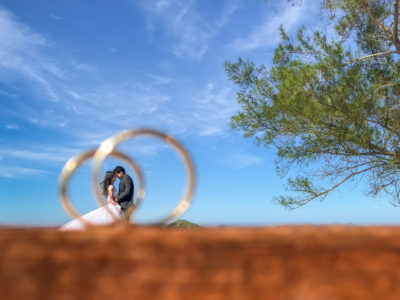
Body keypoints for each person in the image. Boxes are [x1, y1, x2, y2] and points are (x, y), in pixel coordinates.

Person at [59, 171, 124, 231]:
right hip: (112, 206)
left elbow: (113, 198)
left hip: (113, 206)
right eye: (114, 176)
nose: (115, 177)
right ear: (111, 178)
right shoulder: (111, 187)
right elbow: (109, 200)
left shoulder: (112, 186)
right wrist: (117, 206)